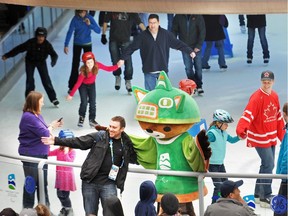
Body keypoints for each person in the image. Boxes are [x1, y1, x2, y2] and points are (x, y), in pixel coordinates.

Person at [41, 116, 138, 216]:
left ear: (122, 129)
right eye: (110, 126)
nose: (111, 129)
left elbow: (136, 159)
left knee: (110, 213)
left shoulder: (126, 144)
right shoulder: (100, 136)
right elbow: (79, 141)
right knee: (90, 214)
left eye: (114, 127)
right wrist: (56, 141)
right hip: (90, 183)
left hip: (109, 184)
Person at [236, 70, 285, 208]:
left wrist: (282, 135)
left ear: (273, 82)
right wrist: (241, 129)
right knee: (268, 164)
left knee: (266, 165)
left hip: (270, 136)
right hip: (259, 137)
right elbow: (248, 114)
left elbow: (277, 117)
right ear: (261, 81)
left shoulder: (274, 96)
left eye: (269, 81)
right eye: (264, 81)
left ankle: (258, 194)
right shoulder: (256, 97)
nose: (266, 84)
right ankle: (265, 195)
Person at [118, 14, 196, 91]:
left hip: (163, 71)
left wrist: (190, 51)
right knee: (151, 96)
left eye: (154, 23)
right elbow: (131, 48)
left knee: (164, 95)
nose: (152, 25)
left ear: (159, 22)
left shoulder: (166, 34)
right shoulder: (142, 36)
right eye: (150, 23)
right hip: (149, 71)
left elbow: (178, 44)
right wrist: (122, 59)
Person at [18, 91, 63, 209]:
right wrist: (51, 126)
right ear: (34, 103)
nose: (42, 104)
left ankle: (44, 209)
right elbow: (44, 132)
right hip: (31, 155)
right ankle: (27, 209)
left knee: (43, 183)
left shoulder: (37, 115)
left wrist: (52, 125)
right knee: (31, 183)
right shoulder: (28, 117)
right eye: (41, 102)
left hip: (41, 154)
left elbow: (42, 130)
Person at [2, 27, 59, 107]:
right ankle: (29, 101)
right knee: (29, 81)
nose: (40, 38)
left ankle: (53, 98)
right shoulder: (31, 42)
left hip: (41, 62)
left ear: (45, 37)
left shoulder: (47, 45)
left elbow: (54, 54)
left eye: (42, 37)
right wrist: (7, 55)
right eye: (39, 36)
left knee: (46, 80)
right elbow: (19, 49)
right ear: (36, 36)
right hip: (30, 62)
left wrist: (53, 61)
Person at [66, 51, 119, 127]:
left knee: (93, 103)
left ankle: (92, 119)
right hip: (83, 86)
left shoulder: (97, 65)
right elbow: (78, 83)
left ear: (94, 60)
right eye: (88, 63)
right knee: (84, 102)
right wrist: (71, 95)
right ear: (85, 63)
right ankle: (82, 117)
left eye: (91, 62)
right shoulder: (83, 72)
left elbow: (108, 68)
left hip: (92, 85)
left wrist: (117, 66)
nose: (90, 64)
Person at [101, 12, 145, 93]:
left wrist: (147, 33)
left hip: (125, 40)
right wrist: (103, 34)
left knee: (128, 62)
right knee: (115, 61)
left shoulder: (131, 11)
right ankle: (117, 76)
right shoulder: (113, 8)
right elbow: (105, 21)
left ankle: (128, 80)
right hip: (113, 40)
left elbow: (139, 22)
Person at [207, 109, 240, 203]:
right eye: (225, 124)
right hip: (212, 165)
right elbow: (202, 143)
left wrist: (239, 137)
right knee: (218, 186)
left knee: (226, 185)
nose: (227, 126)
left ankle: (225, 202)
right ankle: (214, 205)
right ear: (218, 123)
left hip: (220, 164)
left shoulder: (223, 133)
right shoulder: (211, 133)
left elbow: (232, 140)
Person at [64, 10, 101, 94]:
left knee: (89, 65)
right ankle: (72, 85)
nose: (82, 14)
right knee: (75, 64)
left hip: (87, 43)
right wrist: (66, 44)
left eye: (83, 12)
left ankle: (88, 86)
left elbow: (98, 30)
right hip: (77, 43)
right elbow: (70, 31)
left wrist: (89, 25)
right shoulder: (75, 19)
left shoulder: (89, 18)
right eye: (80, 12)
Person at [172, 14, 206, 95]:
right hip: (184, 46)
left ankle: (199, 85)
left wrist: (199, 46)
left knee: (198, 67)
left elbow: (202, 31)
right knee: (188, 67)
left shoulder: (198, 16)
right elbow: (174, 30)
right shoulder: (178, 16)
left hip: (196, 46)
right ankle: (192, 86)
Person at [48, 130, 76, 216]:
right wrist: (48, 145)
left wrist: (66, 153)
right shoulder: (58, 150)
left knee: (65, 195)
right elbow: (49, 153)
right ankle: (65, 208)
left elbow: (69, 161)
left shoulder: (72, 152)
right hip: (60, 176)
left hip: (67, 178)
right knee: (59, 194)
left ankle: (68, 209)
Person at [274, 102, 288, 216]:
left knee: (280, 211)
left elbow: (286, 157)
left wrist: (283, 175)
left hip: (286, 178)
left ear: (284, 114)